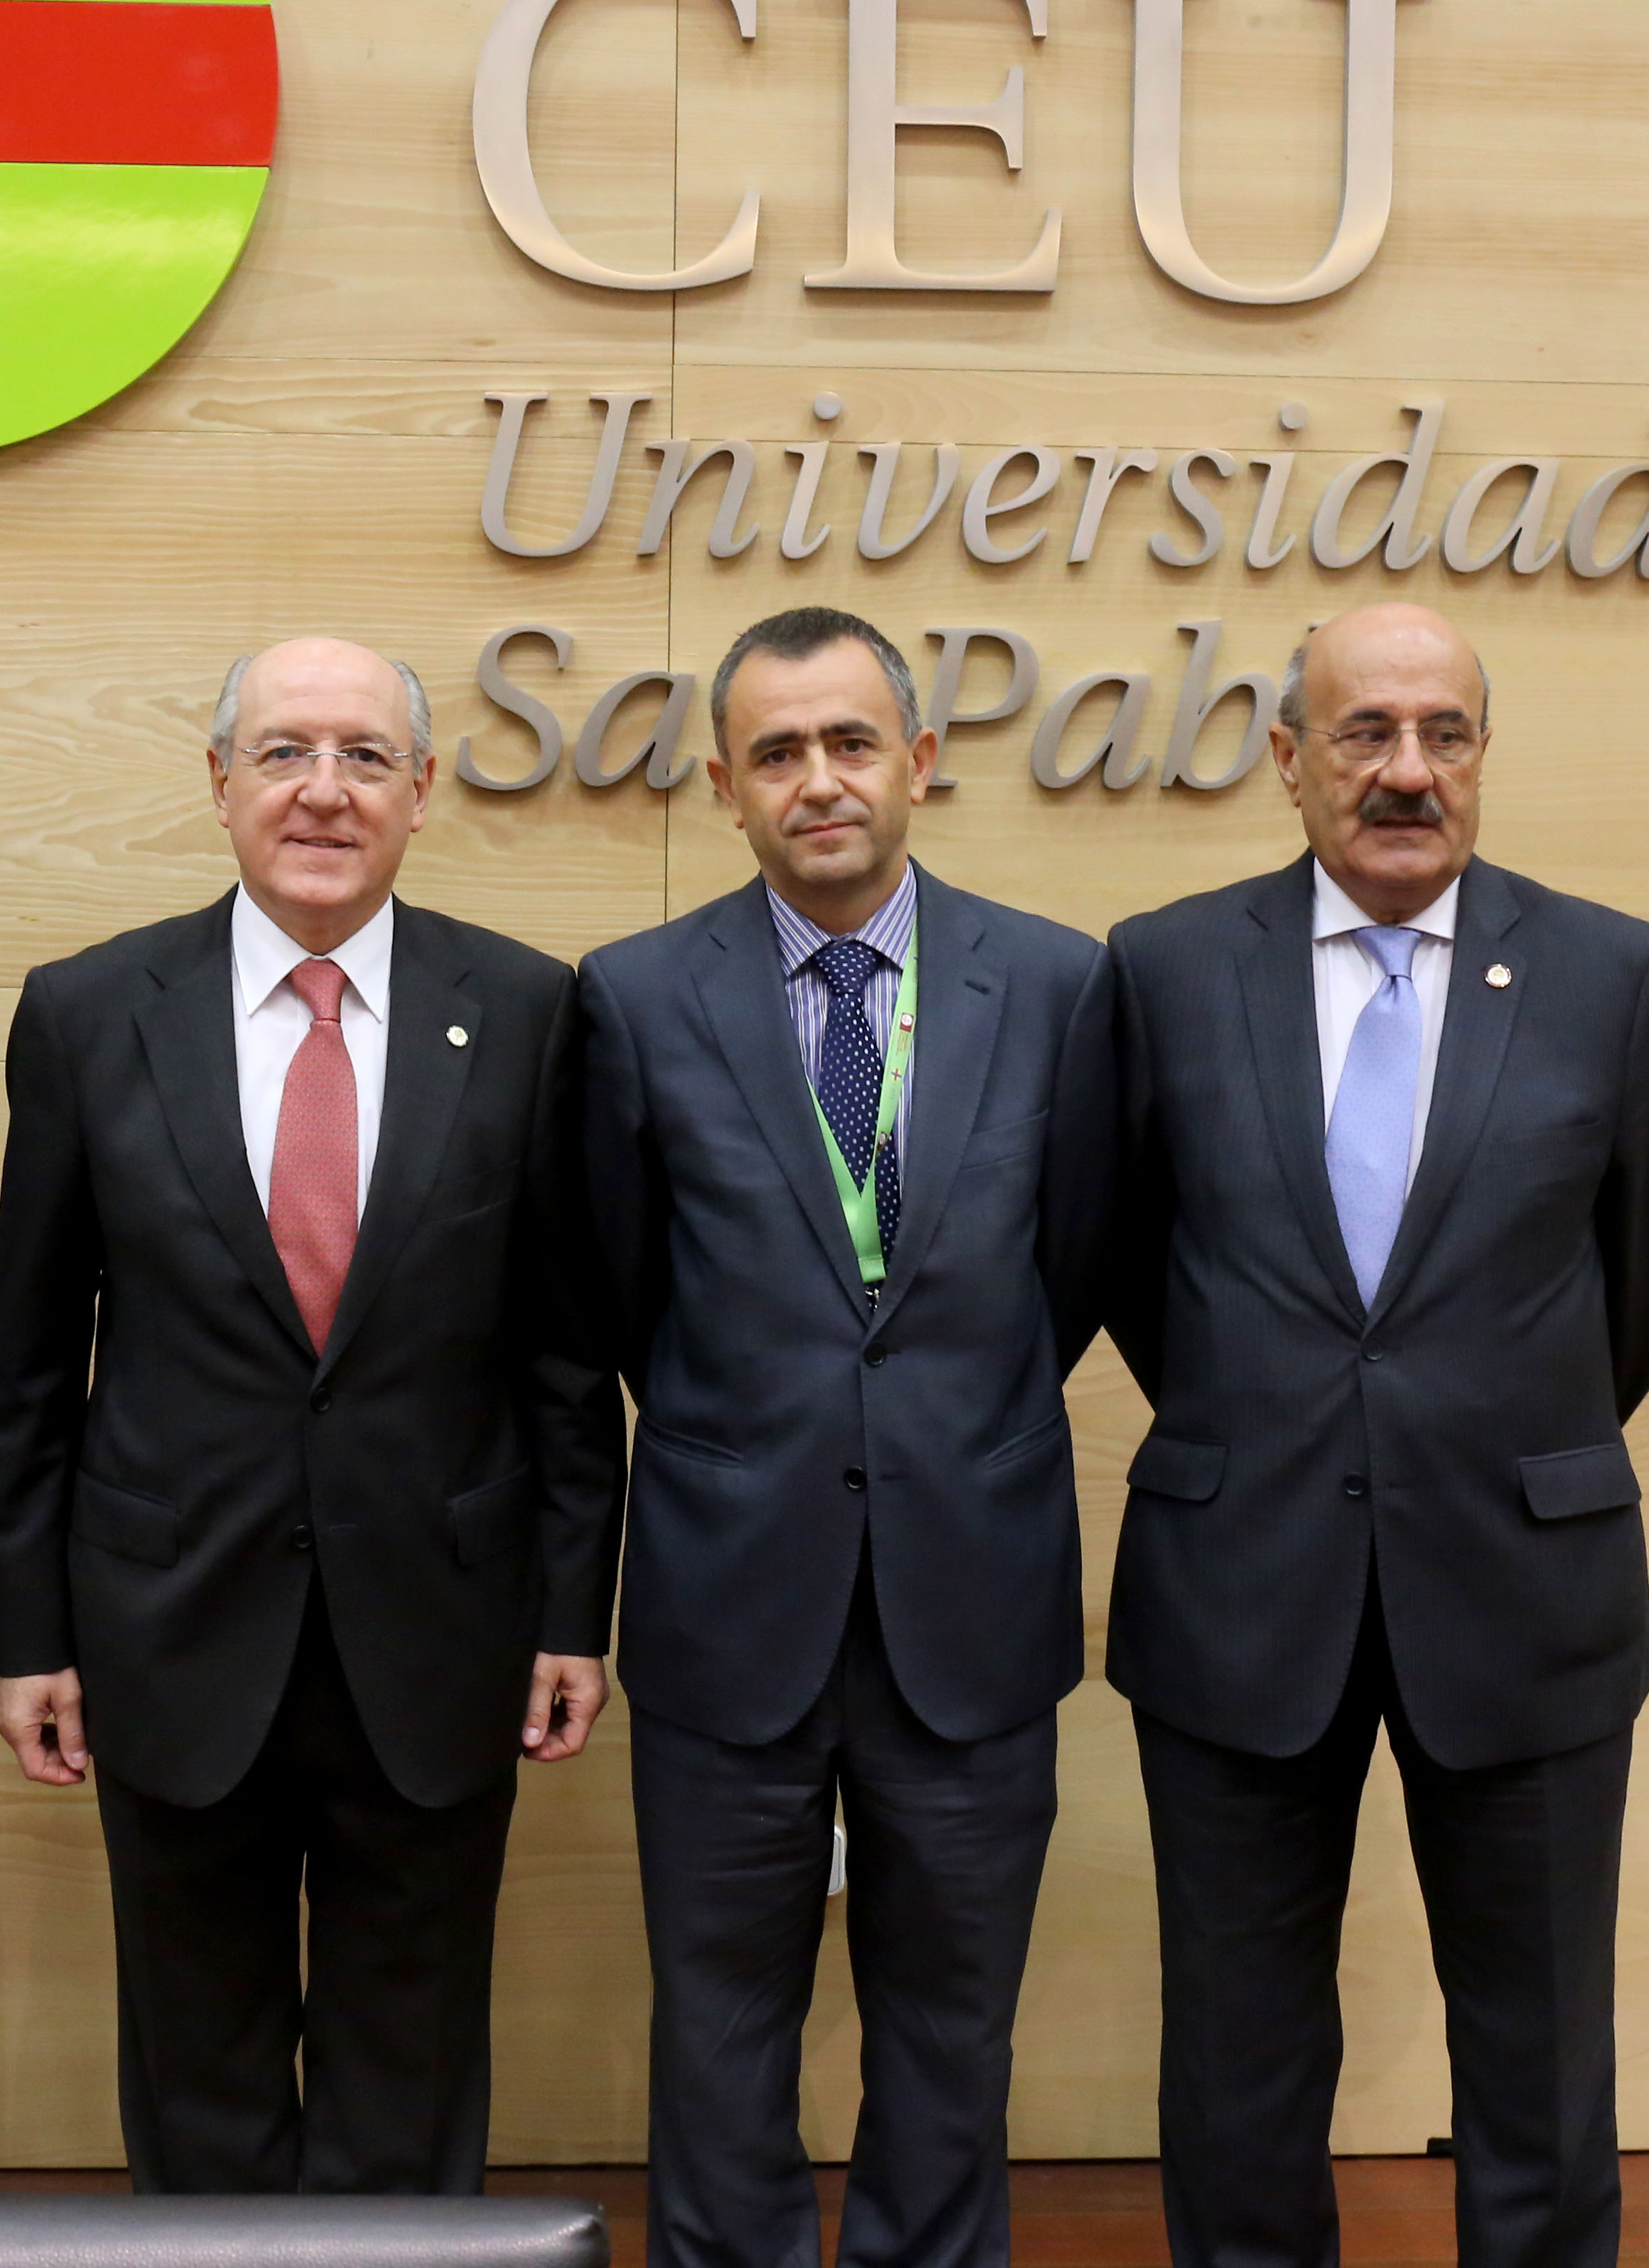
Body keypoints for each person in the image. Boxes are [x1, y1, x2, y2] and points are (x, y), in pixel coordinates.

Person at [1089, 601, 1649, 2268]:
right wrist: (1272, 1417)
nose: (1407, 769)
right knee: (1237, 2049)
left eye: (1443, 732)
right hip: (1239, 1577)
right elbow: (1122, 1263)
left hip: (1525, 1583)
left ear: (1483, 755)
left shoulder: (1610, 971)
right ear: (1289, 759)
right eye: (1364, 731)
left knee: (1540, 2047)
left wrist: (1482, 1426)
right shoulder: (1161, 969)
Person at [0, 637, 622, 2196]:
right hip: (169, 1625)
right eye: (282, 753)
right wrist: (28, 1633)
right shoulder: (89, 1011)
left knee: (412, 2072)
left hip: (440, 1630)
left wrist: (571, 1611)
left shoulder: (526, 1010)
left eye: (363, 756)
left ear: (422, 789)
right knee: (198, 2073)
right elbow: (32, 1360)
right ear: (219, 783)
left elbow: (564, 1353)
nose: (323, 790)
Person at [577, 607, 1111, 2268]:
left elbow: (1078, 1265)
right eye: (778, 752)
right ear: (724, 786)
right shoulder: (633, 998)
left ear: (918, 762)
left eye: (851, 741)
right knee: (719, 2021)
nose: (819, 779)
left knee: (953, 2020)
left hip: (973, 1585)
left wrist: (938, 1419)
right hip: (730, 1590)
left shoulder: (1056, 984)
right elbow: (618, 1292)